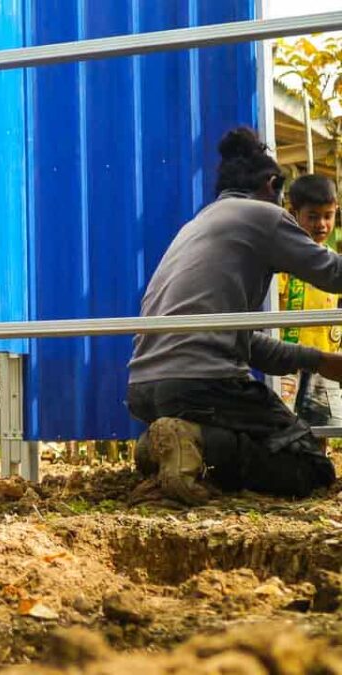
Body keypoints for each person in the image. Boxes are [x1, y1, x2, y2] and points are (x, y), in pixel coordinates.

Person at [127, 127, 340, 506]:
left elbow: (241, 340)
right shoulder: (264, 216)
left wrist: (319, 361)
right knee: (311, 467)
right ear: (272, 184)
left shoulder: (197, 225)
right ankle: (200, 444)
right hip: (200, 381)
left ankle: (157, 446)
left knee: (258, 440)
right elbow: (334, 275)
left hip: (145, 387)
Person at [277, 175, 341, 426]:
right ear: (294, 214)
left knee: (325, 426)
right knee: (285, 426)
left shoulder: (335, 262)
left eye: (328, 215)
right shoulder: (283, 261)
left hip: (327, 363)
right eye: (312, 216)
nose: (322, 224)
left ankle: (321, 466)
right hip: (289, 363)